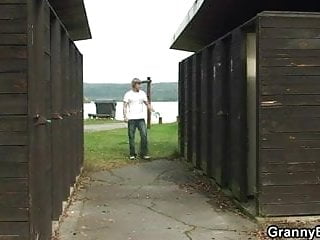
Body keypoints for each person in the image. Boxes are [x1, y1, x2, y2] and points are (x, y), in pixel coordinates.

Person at [123, 78, 154, 160]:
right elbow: (125, 106)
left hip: (140, 118)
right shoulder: (128, 94)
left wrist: (150, 108)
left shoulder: (142, 94)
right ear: (134, 85)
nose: (139, 86)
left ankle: (144, 153)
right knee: (131, 136)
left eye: (140, 84)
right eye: (138, 84)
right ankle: (132, 154)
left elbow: (146, 103)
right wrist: (125, 116)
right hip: (131, 118)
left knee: (144, 135)